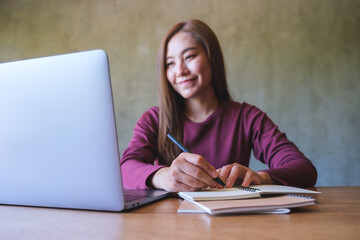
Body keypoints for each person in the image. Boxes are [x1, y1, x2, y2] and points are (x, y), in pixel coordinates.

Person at [120, 19, 317, 192]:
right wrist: (165, 176)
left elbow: (303, 168)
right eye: (170, 63)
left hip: (231, 223)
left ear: (212, 58)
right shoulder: (154, 119)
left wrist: (262, 178)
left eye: (189, 57)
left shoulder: (246, 117)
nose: (180, 71)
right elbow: (125, 169)